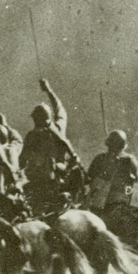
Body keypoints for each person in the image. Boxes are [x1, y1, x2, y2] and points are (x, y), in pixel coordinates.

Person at [19, 79, 85, 217]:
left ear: (35, 119)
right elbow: (59, 108)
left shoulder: (32, 136)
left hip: (39, 184)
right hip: (60, 181)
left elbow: (22, 162)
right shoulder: (59, 129)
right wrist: (49, 91)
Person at [86, 129, 138, 214]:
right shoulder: (131, 160)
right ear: (123, 145)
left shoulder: (100, 158)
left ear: (107, 143)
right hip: (120, 202)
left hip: (98, 203)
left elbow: (88, 177)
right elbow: (137, 178)